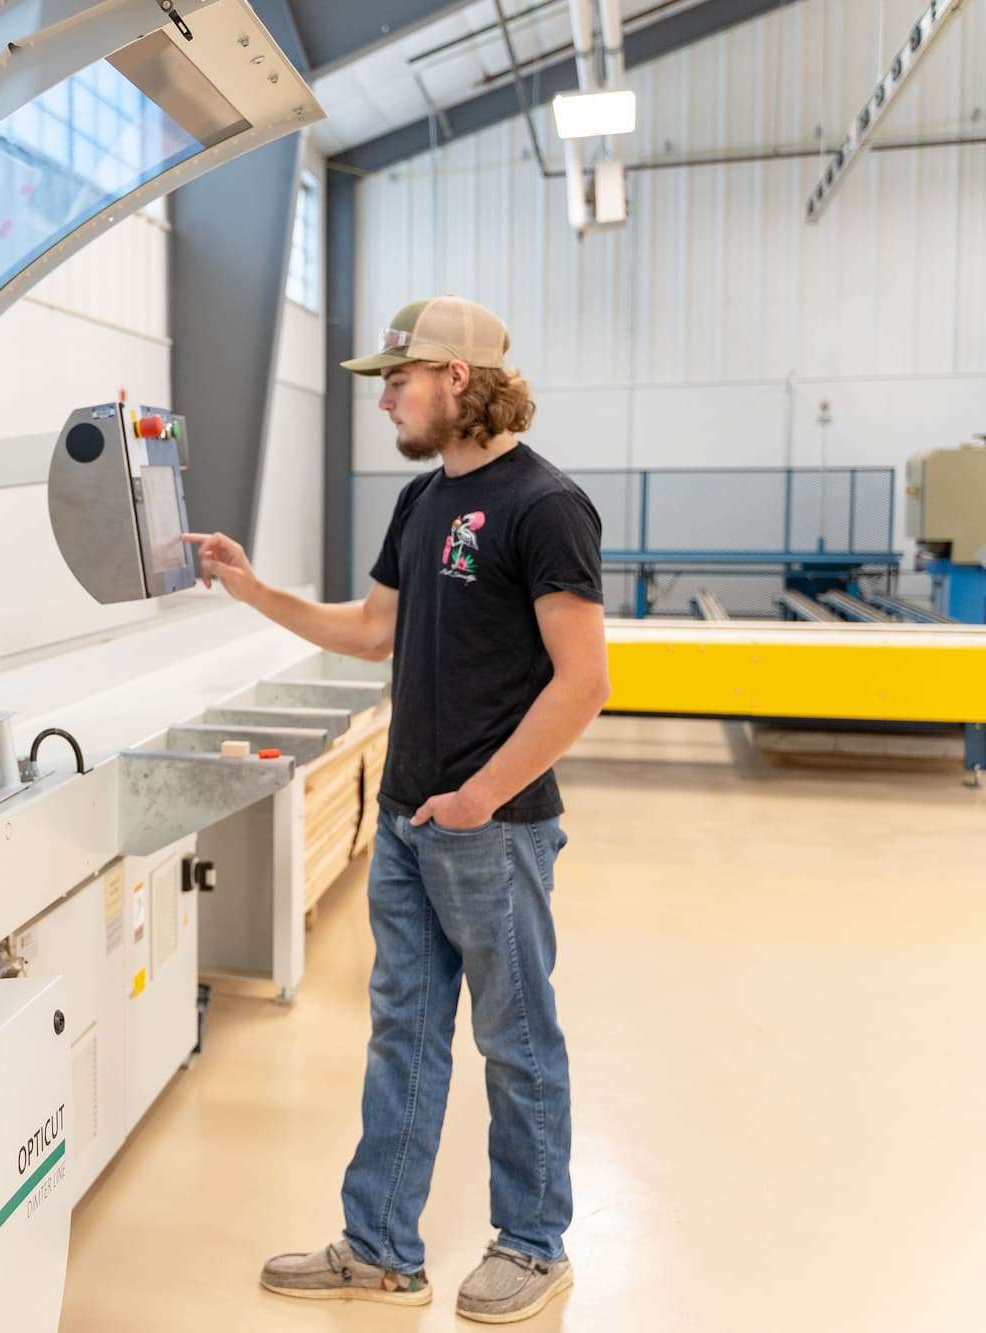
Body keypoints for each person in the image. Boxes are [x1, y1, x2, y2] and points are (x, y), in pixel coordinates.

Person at [184, 297, 609, 1324]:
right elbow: (372, 630)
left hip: (490, 828)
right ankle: (378, 1246)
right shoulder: (421, 503)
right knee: (402, 1034)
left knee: (514, 1037)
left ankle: (530, 1240)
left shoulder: (543, 505)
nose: (384, 398)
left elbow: (581, 680)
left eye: (397, 378)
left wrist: (478, 797)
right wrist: (252, 591)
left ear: (456, 378)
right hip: (413, 821)